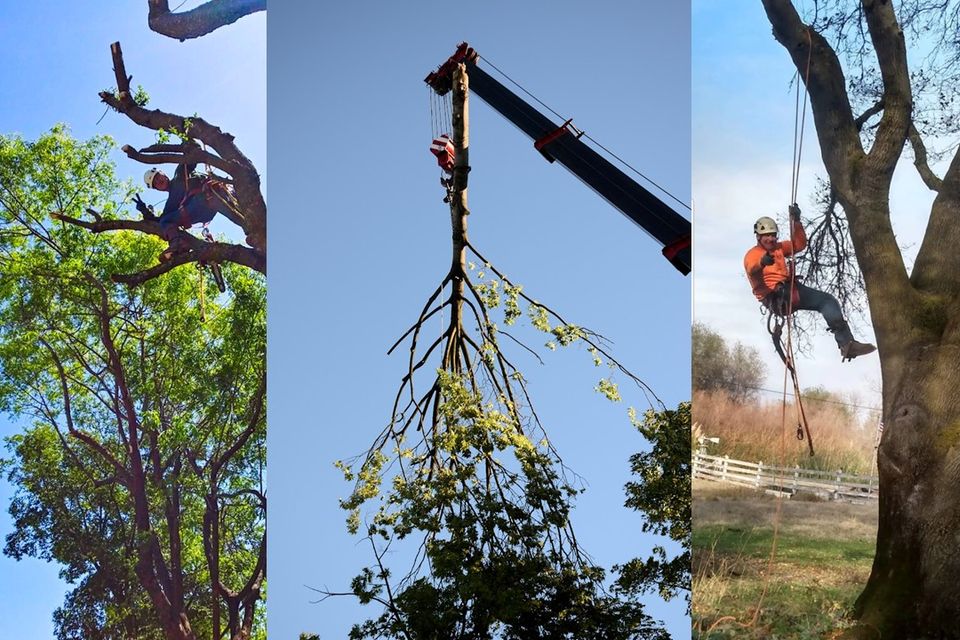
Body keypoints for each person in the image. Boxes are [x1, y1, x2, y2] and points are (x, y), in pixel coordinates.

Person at [744, 204, 876, 361]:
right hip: (776, 296)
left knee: (827, 301)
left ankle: (847, 344)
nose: (771, 239)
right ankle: (847, 343)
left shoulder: (778, 248)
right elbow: (752, 269)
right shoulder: (753, 254)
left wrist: (797, 221)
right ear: (758, 237)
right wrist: (762, 262)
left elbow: (799, 244)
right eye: (767, 235)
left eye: (774, 235)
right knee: (825, 301)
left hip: (789, 290)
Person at [134, 162, 235, 261]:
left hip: (207, 197)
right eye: (155, 183)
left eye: (157, 177)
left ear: (163, 174)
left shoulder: (180, 174)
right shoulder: (171, 204)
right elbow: (160, 222)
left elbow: (191, 158)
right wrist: (145, 212)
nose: (158, 181)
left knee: (235, 212)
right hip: (205, 208)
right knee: (165, 221)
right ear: (157, 189)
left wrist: (188, 146)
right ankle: (180, 244)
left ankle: (179, 243)